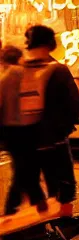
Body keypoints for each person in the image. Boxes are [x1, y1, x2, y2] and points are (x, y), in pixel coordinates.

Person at [24, 25, 79, 217]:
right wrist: (67, 127)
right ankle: (63, 222)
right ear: (50, 44)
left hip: (26, 140)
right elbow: (74, 103)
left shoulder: (18, 70)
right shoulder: (58, 70)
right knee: (63, 182)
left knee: (32, 183)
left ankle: (41, 222)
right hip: (54, 138)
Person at [0, 45, 48, 216]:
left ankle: (12, 207)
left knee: (21, 167)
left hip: (12, 130)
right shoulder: (29, 76)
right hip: (31, 128)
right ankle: (37, 199)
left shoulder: (5, 79)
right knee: (28, 165)